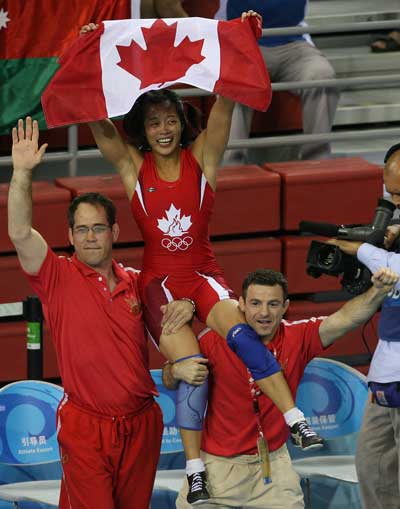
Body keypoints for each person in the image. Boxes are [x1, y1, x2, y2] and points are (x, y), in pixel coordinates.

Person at [81, 10, 324, 505]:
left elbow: (226, 105)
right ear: (143, 131)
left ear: (181, 124)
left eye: (170, 119)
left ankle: (295, 420)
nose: (164, 129)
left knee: (243, 336)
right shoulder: (134, 168)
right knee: (192, 368)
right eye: (154, 123)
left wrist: (241, 44)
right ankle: (195, 469)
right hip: (159, 286)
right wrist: (88, 59)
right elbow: (102, 131)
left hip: (203, 274)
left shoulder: (203, 162)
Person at [7, 117, 196, 509]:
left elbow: (182, 320)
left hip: (142, 423)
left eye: (98, 228)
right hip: (85, 426)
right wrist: (22, 173)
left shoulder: (140, 283)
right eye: (81, 230)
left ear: (115, 232)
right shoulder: (56, 275)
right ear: (70, 235)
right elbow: (21, 233)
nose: (90, 237)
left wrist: (189, 303)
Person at [162, 267, 398, 509]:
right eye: (255, 303)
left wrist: (377, 291)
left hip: (274, 468)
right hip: (216, 470)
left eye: (273, 304)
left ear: (285, 306)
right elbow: (171, 378)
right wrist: (175, 371)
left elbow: (346, 318)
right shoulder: (213, 339)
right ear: (240, 305)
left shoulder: (297, 336)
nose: (264, 313)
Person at [328, 143, 400, 508]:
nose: (396, 203)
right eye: (392, 194)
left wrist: (362, 250)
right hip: (387, 374)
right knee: (372, 468)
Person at [216, 0, 339, 163]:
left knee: (322, 75)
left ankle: (317, 164)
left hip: (293, 43)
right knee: (234, 82)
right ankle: (232, 168)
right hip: (244, 42)